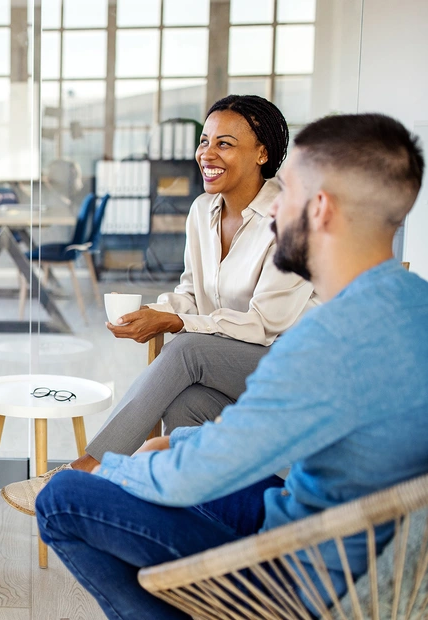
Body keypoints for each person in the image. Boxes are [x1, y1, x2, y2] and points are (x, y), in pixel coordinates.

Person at [36, 112, 428, 618]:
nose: (275, 205)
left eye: (288, 191)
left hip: (299, 575)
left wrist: (121, 467)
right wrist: (173, 443)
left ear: (321, 209)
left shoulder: (325, 344)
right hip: (359, 546)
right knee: (179, 435)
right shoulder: (413, 305)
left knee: (66, 497)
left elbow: (186, 481)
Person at [2, 95, 318, 516]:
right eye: (204, 141)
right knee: (183, 402)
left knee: (187, 350)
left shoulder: (291, 219)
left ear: (263, 153)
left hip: (290, 374)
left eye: (225, 143)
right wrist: (157, 310)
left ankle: (84, 469)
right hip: (240, 379)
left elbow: (265, 325)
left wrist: (174, 320)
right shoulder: (203, 210)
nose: (207, 153)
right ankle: (185, 517)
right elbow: (192, 290)